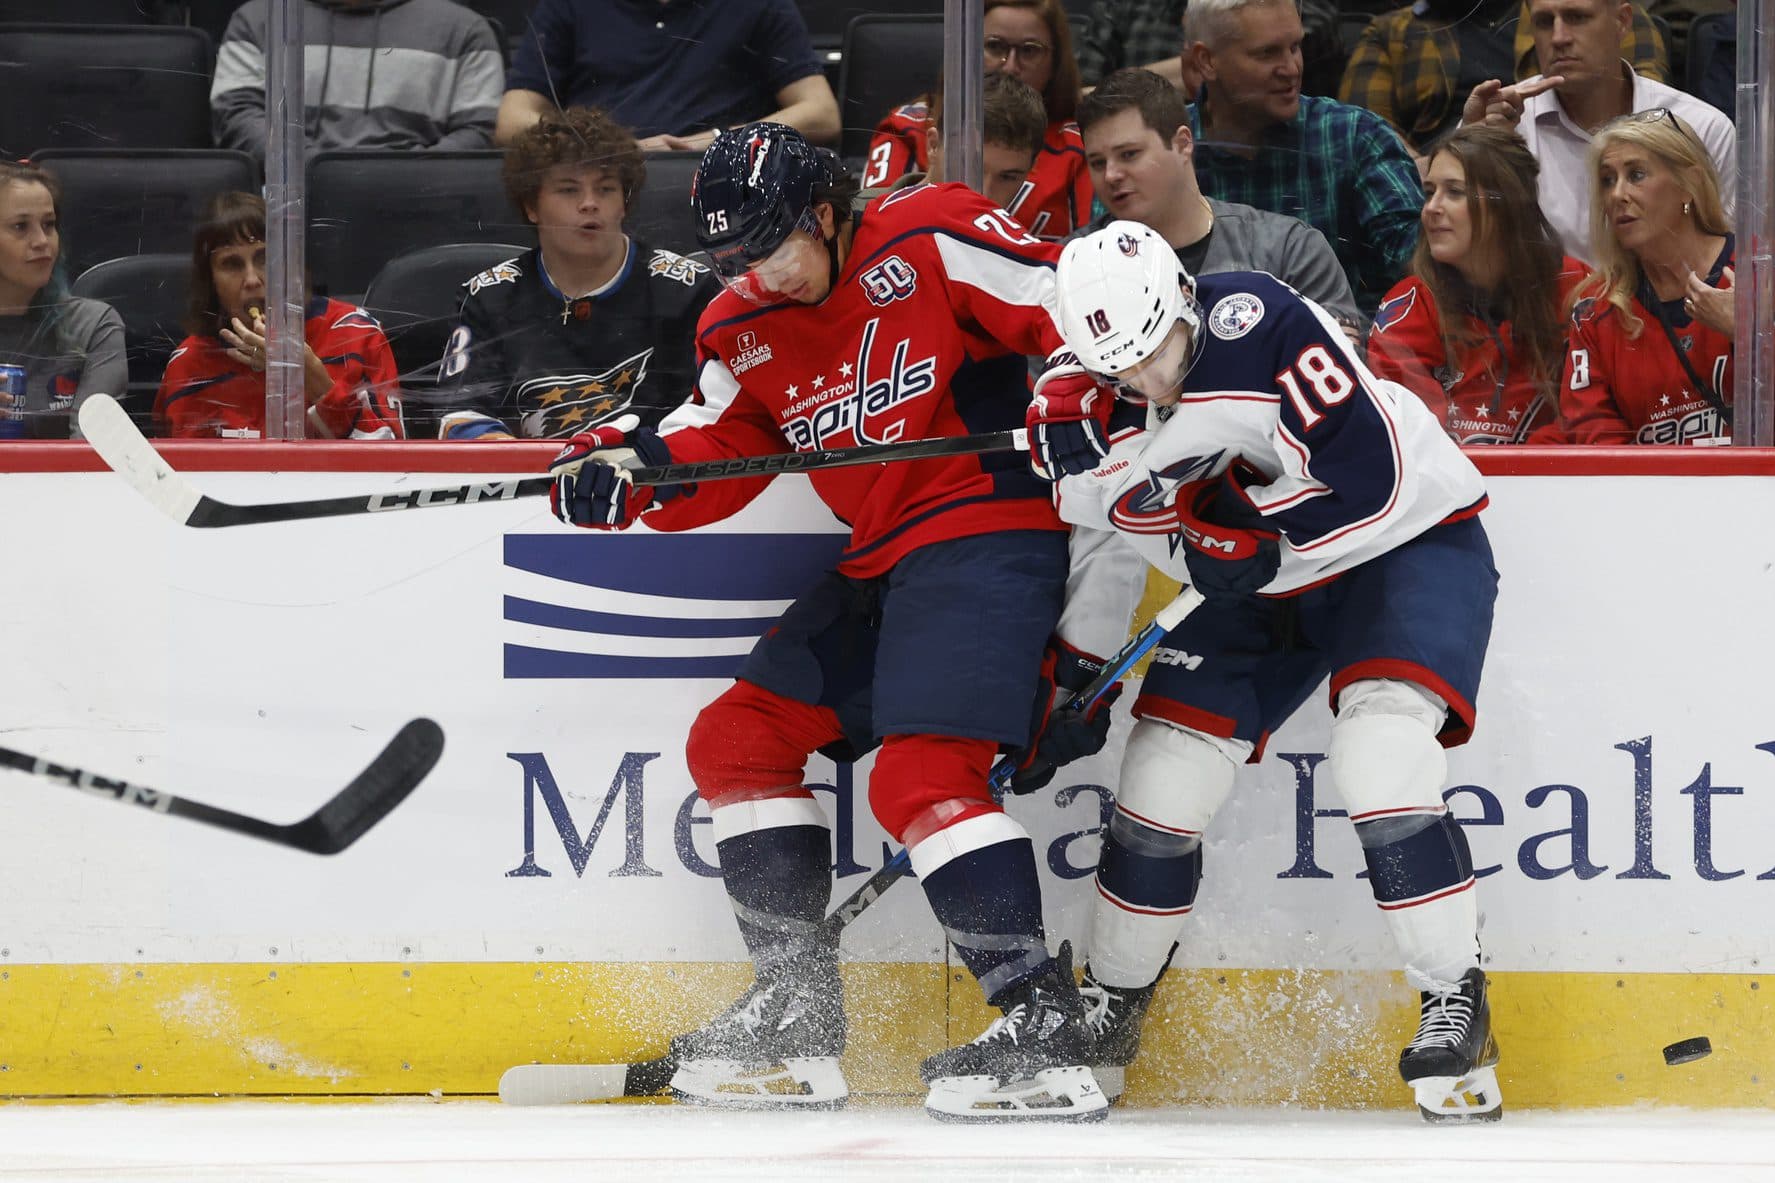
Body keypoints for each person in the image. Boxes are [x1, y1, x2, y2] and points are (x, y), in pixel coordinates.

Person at [546, 123, 1124, 1123]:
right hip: (881, 555)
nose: (753, 275)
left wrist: (1076, 386)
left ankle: (1040, 1020)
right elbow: (711, 442)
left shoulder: (928, 232)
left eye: (768, 245)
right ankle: (797, 1018)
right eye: (730, 259)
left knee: (919, 775)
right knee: (736, 738)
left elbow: (1065, 301)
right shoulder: (737, 323)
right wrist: (620, 467)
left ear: (821, 212)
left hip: (987, 529)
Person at [1028, 220, 1501, 1122]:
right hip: (1253, 573)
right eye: (1119, 371)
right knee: (1159, 786)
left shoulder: (1266, 324)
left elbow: (1373, 479)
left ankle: (1455, 999)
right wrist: (1077, 675)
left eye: (1156, 353)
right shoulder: (1090, 398)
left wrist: (1236, 518)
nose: (1145, 382)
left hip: (1399, 544)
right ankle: (1110, 1014)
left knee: (1380, 758)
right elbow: (1110, 540)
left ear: (1181, 301)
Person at [434, 107, 719, 441]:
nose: (589, 203)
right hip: (529, 483)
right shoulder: (488, 296)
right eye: (569, 189)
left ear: (624, 203)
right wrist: (505, 455)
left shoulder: (688, 290)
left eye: (606, 189)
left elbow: (711, 411)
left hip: (651, 479)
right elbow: (460, 414)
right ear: (531, 206)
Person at [1077, 67, 1361, 336]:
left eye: (1129, 154)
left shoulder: (1290, 251)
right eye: (1097, 162)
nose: (1111, 175)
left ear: (1183, 144)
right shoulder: (1071, 265)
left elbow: (1343, 377)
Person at [1181, 0, 1423, 314]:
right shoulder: (1164, 153)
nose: (1292, 68)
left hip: (1343, 353)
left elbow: (1420, 263)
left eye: (1295, 47)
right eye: (1267, 53)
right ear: (1206, 61)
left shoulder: (1354, 136)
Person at [1459, 0, 1734, 263]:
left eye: (1577, 17)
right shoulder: (1497, 123)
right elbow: (1465, 255)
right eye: (1544, 22)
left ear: (1622, 21)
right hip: (1541, 309)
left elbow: (1727, 266)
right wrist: (1478, 151)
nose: (1559, 37)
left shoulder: (1701, 128)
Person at [1366, 126, 1588, 444]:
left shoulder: (1577, 290)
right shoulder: (1410, 304)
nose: (1431, 208)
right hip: (1453, 489)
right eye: (1430, 192)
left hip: (1555, 486)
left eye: (1454, 192)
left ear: (1507, 205)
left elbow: (1590, 418)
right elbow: (1411, 438)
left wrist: (1528, 472)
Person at [156, 192, 404, 439]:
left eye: (264, 259)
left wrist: (315, 382)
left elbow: (395, 464)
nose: (252, 280)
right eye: (232, 264)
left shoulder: (354, 333)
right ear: (210, 281)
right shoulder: (188, 366)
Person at [1557, 110, 1735, 444]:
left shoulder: (1758, 274)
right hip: (1642, 494)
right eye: (1608, 180)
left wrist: (1753, 336)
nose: (1617, 195)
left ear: (1690, 185)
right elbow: (1594, 440)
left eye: (1636, 175)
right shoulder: (1595, 310)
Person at [1339, 0, 1669, 165]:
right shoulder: (1390, 32)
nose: (1559, 33)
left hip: (1569, 163)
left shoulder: (1573, 8)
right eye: (1547, 23)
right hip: (1441, 182)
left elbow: (1646, 103)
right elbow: (1366, 129)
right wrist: (1438, 170)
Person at [865, 0, 1093, 237]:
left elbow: (1098, 246)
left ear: (1055, 61)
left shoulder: (1083, 141)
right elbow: (874, 230)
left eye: (1029, 50)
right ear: (965, 49)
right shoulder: (906, 127)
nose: (1011, 66)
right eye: (994, 46)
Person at [494, 0, 839, 152]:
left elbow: (820, 114)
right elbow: (512, 121)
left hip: (719, 174)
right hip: (598, 177)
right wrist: (612, 150)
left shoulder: (758, 4)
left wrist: (710, 142)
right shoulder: (569, 4)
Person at [211, 0, 505, 163]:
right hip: (289, 210)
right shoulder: (258, 18)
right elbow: (237, 117)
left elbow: (478, 131)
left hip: (420, 204)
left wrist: (407, 178)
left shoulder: (465, 29)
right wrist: (320, 170)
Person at [0, 161, 125, 440]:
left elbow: (89, 451)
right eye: (21, 226)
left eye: (49, 225)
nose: (42, 241)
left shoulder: (93, 325)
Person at [865, 73, 1049, 218]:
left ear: (1030, 170)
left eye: (1008, 177)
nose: (983, 194)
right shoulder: (853, 223)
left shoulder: (1020, 259)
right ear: (933, 145)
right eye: (970, 167)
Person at [1073, 0, 1345, 97]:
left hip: (1271, 149)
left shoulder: (1288, 6)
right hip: (1142, 148)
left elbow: (1271, 49)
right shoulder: (1126, 6)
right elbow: (1080, 97)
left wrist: (1119, 92)